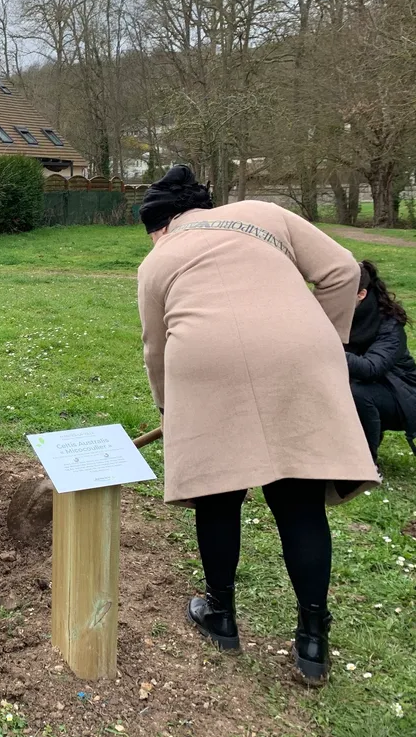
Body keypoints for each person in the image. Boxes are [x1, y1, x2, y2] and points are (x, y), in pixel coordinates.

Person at [136, 164, 379, 687]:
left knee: (218, 494)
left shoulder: (157, 259)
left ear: (163, 224)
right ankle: (313, 638)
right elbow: (344, 273)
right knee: (298, 498)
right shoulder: (265, 213)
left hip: (205, 362)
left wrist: (167, 408)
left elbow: (155, 350)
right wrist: (324, 339)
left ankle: (220, 615)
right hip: (299, 354)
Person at [345, 260, 416, 467]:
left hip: (403, 394)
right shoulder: (341, 316)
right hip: (374, 387)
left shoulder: (389, 324)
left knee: (358, 393)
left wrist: (330, 348)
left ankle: (366, 466)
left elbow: (371, 368)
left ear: (362, 294)